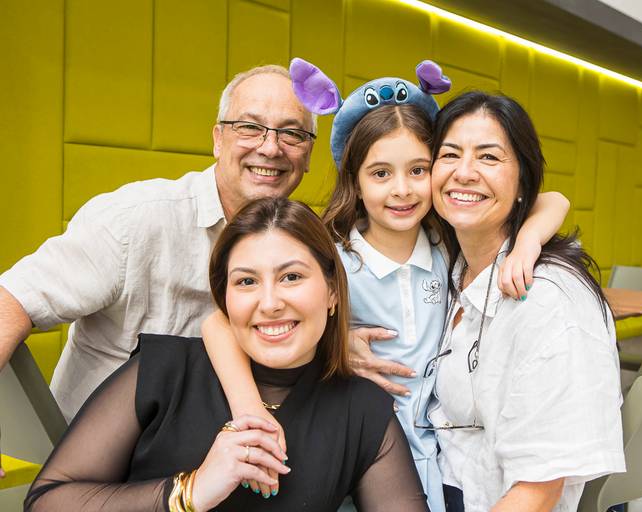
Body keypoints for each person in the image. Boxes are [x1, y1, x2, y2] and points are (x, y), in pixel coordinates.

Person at [201, 63, 570, 508]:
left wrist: (527, 242)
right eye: (380, 174)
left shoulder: (448, 245)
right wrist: (256, 409)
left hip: (435, 458)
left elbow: (552, 200)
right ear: (355, 181)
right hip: (351, 452)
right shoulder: (332, 255)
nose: (402, 190)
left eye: (418, 170)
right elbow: (219, 324)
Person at [24, 197, 429, 512]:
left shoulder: (362, 411)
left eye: (291, 277)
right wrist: (190, 491)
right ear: (224, 299)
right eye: (247, 281)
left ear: (333, 292)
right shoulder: (165, 371)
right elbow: (46, 501)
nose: (269, 303)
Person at [0, 64, 317, 425]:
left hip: (214, 450)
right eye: (249, 127)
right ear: (218, 139)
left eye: (292, 134)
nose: (271, 148)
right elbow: (12, 300)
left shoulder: (302, 246)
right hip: (95, 452)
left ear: (308, 154)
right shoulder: (135, 220)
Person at [424, 91, 625, 512]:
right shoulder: (447, 261)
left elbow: (538, 492)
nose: (464, 172)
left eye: (489, 157)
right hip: (439, 472)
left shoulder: (549, 301)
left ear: (522, 184)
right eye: (450, 154)